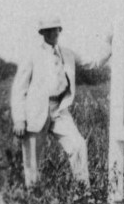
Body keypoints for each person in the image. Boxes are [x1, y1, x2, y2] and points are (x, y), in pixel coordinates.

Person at [11, 17, 109, 189]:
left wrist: (110, 46)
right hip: (35, 111)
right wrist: (19, 118)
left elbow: (92, 63)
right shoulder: (32, 54)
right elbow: (19, 87)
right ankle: (33, 200)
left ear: (59, 31)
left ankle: (83, 192)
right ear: (41, 33)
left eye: (55, 29)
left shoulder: (68, 53)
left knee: (78, 146)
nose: (52, 33)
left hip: (59, 110)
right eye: (47, 30)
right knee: (32, 160)